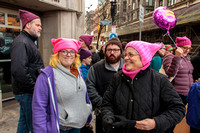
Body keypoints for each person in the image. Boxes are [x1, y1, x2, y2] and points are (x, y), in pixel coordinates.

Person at [101, 41, 186, 133]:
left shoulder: (160, 80)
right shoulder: (117, 78)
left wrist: (156, 123)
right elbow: (107, 103)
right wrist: (108, 117)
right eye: (125, 55)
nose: (126, 58)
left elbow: (178, 109)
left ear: (143, 57)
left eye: (131, 55)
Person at [32, 38, 92, 133]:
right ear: (57, 54)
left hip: (78, 125)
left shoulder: (77, 70)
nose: (68, 54)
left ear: (75, 55)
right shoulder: (47, 76)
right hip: (62, 128)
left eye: (72, 51)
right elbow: (39, 108)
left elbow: (83, 95)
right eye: (64, 51)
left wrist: (87, 111)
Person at [10, 9, 44, 133]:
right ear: (28, 25)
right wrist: (34, 88)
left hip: (27, 92)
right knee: (35, 126)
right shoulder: (21, 42)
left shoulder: (28, 41)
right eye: (38, 25)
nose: (40, 28)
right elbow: (19, 70)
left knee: (24, 124)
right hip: (27, 92)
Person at [86, 37, 124, 133]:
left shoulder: (127, 67)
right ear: (105, 51)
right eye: (109, 50)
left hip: (124, 114)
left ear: (121, 51)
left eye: (116, 50)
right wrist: (102, 104)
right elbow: (90, 87)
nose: (112, 53)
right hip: (103, 115)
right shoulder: (96, 68)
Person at [163, 36, 194, 105]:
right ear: (178, 47)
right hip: (176, 93)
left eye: (189, 48)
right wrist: (177, 57)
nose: (187, 50)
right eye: (185, 48)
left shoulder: (187, 58)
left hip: (188, 93)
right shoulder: (170, 56)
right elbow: (170, 73)